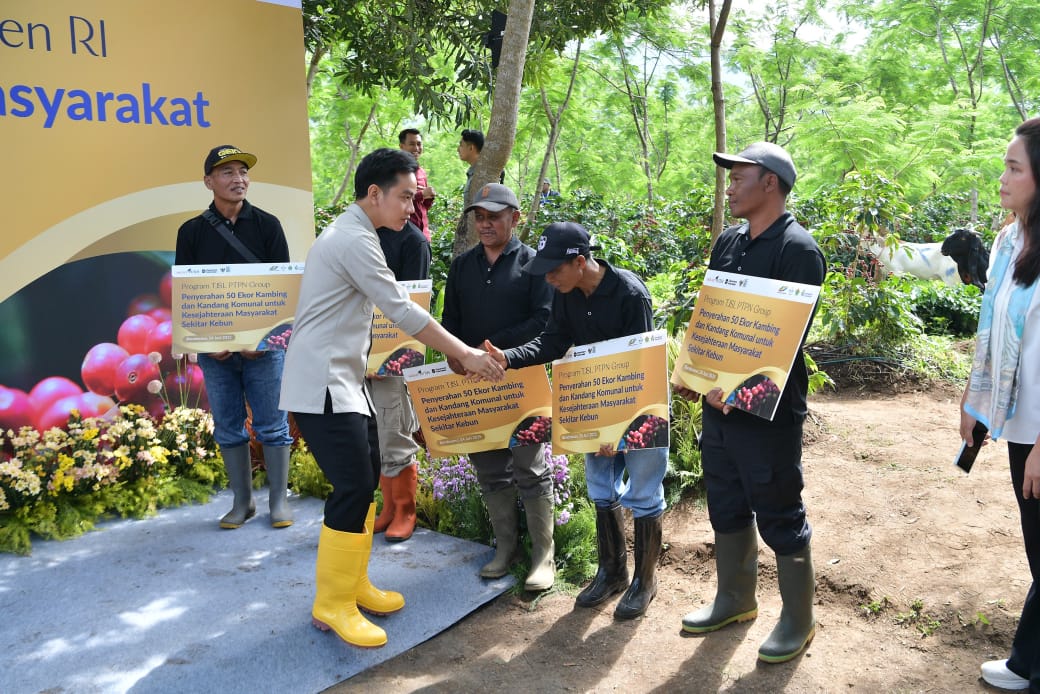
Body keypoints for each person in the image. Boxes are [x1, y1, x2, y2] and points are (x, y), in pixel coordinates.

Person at [279, 148, 504, 650]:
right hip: (322, 384)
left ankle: (353, 583)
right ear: (374, 193)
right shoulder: (351, 239)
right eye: (405, 196)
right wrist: (464, 354)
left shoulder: (359, 233)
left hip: (345, 379)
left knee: (368, 474)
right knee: (354, 487)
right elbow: (399, 310)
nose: (411, 206)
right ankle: (331, 603)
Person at [675, 142, 825, 664]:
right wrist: (696, 375)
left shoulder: (798, 250)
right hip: (719, 406)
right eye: (730, 177)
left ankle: (797, 620)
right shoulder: (729, 243)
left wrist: (740, 389)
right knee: (727, 500)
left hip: (769, 412)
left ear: (770, 184)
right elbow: (714, 315)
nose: (730, 185)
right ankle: (735, 598)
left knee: (778, 506)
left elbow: (786, 340)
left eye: (740, 177)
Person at [486, 222, 667, 619]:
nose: (548, 278)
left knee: (644, 491)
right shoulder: (565, 293)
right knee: (602, 488)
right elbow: (554, 341)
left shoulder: (629, 295)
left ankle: (645, 581)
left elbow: (639, 368)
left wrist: (618, 431)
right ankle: (612, 571)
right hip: (593, 404)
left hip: (636, 410)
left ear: (581, 262)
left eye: (554, 270)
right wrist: (508, 356)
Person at [175, 145, 294, 530]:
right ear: (208, 181)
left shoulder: (268, 225)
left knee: (273, 425)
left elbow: (281, 289)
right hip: (217, 351)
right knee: (227, 425)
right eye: (227, 172)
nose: (238, 179)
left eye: (243, 171)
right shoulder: (191, 232)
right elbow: (189, 294)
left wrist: (262, 340)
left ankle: (279, 500)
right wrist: (210, 344)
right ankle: (242, 503)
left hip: (263, 350)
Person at [441, 183, 554, 590]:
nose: (485, 224)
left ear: (515, 218)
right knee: (490, 469)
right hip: (474, 384)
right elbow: (448, 322)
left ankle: (543, 556)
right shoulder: (461, 266)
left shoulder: (534, 264)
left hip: (519, 380)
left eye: (494, 216)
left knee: (531, 467)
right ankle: (506, 549)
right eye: (479, 217)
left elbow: (544, 322)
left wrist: (495, 350)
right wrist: (458, 354)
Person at [961, 119, 1040, 692]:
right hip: (1020, 419)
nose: (1003, 177)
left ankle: (1026, 664)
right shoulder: (1009, 239)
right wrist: (976, 400)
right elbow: (990, 325)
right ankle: (1027, 662)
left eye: (1015, 167)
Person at [369, 219, 431, 542]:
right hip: (359, 356)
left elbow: (411, 306)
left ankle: (406, 510)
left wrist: (386, 355)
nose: (408, 206)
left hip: (390, 358)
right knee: (376, 437)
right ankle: (389, 507)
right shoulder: (363, 236)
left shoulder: (413, 242)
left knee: (394, 432)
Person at [399, 128, 436, 241]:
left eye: (419, 144)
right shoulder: (396, 171)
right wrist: (421, 194)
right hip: (404, 235)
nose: (416, 148)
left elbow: (423, 207)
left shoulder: (421, 172)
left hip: (423, 235)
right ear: (402, 146)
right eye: (411, 144)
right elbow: (395, 200)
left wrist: (429, 197)